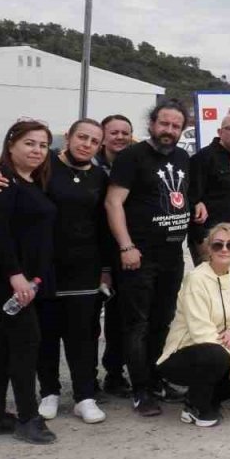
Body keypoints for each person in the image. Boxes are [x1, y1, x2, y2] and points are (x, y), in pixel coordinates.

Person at [106, 99, 203, 417]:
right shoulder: (131, 156)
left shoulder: (182, 157)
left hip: (171, 255)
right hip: (139, 256)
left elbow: (181, 193)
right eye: (164, 124)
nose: (169, 130)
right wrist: (126, 246)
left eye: (176, 126)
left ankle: (157, 378)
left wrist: (197, 204)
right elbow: (113, 203)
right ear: (152, 124)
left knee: (162, 322)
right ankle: (141, 390)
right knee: (138, 325)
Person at [0, 120, 58, 444]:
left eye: (43, 145)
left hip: (24, 280)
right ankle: (28, 418)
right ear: (11, 145)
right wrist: (15, 276)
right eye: (29, 143)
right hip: (3, 281)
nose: (37, 150)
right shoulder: (0, 179)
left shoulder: (32, 180)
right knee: (25, 345)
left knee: (2, 346)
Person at [36, 120, 110, 426]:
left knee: (83, 336)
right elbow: (3, 167)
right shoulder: (44, 166)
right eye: (82, 137)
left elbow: (104, 226)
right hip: (46, 267)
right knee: (46, 333)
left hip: (85, 268)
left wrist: (106, 269)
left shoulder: (100, 177)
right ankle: (49, 392)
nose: (87, 144)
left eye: (94, 141)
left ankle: (84, 397)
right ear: (68, 137)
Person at [156, 223, 230, 428]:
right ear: (208, 249)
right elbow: (201, 332)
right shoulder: (196, 279)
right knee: (216, 356)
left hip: (223, 348)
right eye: (218, 245)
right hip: (185, 354)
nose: (224, 250)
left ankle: (202, 396)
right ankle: (197, 407)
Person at [94, 114, 134, 397]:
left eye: (125, 133)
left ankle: (115, 373)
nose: (120, 137)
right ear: (103, 136)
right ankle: (86, 380)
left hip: (125, 250)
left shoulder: (134, 162)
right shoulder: (89, 165)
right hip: (92, 251)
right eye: (114, 132)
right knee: (87, 322)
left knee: (120, 318)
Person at [188, 112, 230, 264]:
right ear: (220, 132)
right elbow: (191, 200)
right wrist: (201, 240)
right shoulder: (203, 158)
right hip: (210, 242)